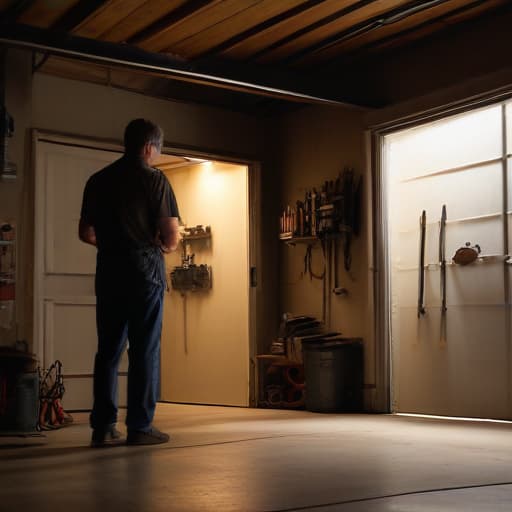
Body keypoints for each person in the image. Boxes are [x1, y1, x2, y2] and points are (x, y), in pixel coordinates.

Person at [79, 119, 180, 447]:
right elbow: (171, 236)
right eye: (157, 151)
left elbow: (86, 232)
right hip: (144, 273)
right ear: (149, 147)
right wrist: (160, 245)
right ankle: (140, 426)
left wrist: (114, 244)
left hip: (109, 272)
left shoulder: (98, 181)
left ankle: (103, 426)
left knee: (108, 351)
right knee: (144, 350)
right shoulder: (156, 180)